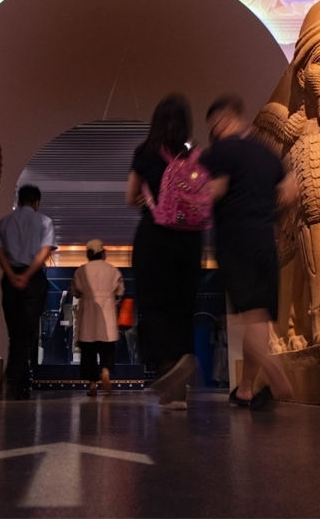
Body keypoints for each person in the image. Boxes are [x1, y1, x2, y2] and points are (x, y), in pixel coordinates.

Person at [202, 94, 295, 408]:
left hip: (235, 239)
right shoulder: (268, 156)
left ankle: (273, 369)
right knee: (259, 318)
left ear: (220, 121)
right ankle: (244, 390)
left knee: (248, 316)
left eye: (212, 125)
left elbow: (213, 193)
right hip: (266, 240)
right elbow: (289, 192)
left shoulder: (221, 152)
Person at [126, 93, 202, 409]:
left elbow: (130, 196)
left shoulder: (145, 152)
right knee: (182, 307)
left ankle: (166, 371)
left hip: (154, 237)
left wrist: (150, 199)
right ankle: (180, 385)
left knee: (154, 307)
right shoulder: (193, 154)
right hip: (189, 240)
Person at [0, 184, 58, 400]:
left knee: (14, 331)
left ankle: (17, 380)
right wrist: (27, 275)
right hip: (34, 279)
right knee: (28, 332)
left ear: (19, 200)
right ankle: (17, 379)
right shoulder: (44, 221)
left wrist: (12, 275)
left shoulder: (4, 222)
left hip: (10, 279)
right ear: (36, 202)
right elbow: (44, 250)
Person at [71, 239, 125, 396]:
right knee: (107, 349)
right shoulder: (112, 270)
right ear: (103, 253)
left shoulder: (81, 271)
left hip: (88, 315)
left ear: (88, 254)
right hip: (107, 315)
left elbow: (75, 291)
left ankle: (92, 386)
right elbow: (120, 291)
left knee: (88, 353)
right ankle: (106, 371)